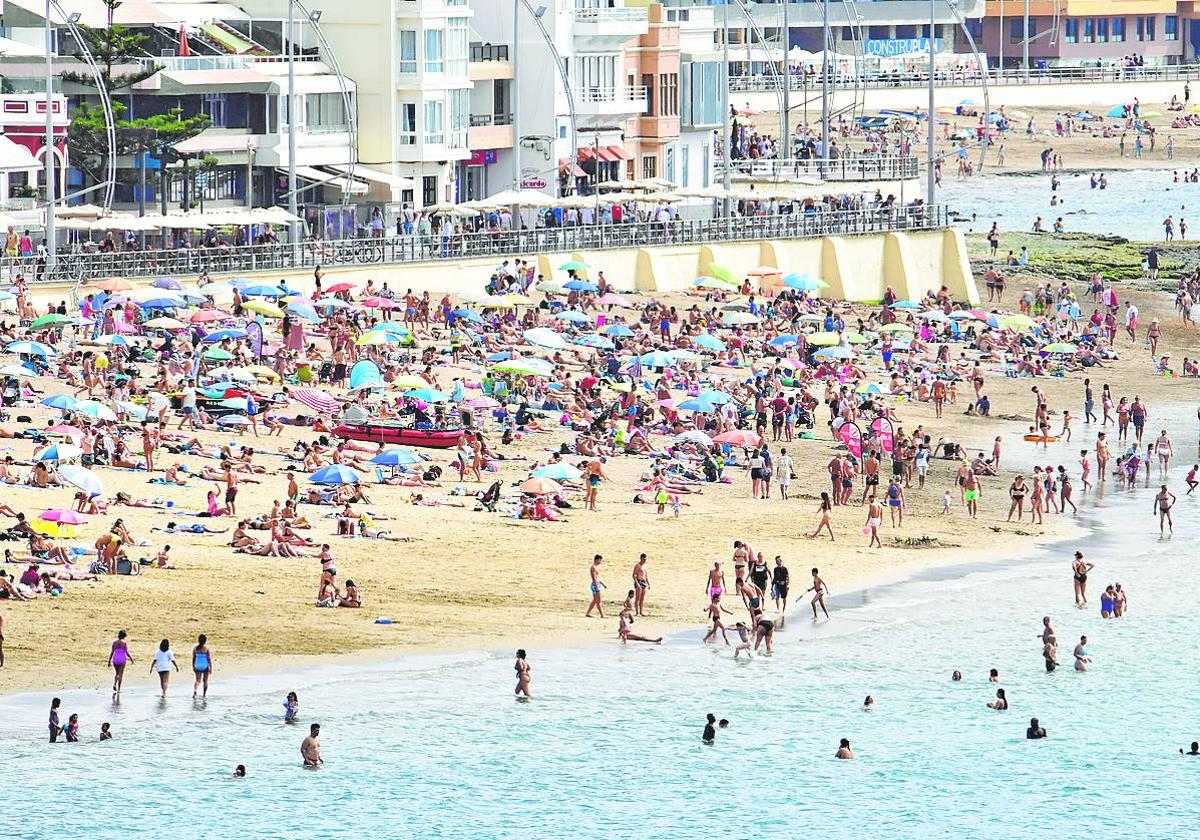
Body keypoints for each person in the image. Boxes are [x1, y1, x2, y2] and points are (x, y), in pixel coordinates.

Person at [107, 629, 132, 697]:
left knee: (117, 673)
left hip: (115, 658)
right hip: (122, 659)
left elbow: (112, 652)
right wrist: (131, 658)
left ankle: (114, 683)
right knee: (120, 674)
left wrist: (109, 661)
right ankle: (119, 689)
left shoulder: (114, 643)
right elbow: (126, 652)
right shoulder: (124, 643)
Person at [192, 634, 213, 699]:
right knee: (205, 681)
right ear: (205, 641)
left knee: (198, 680)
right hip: (205, 665)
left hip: (197, 665)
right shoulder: (206, 649)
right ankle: (204, 695)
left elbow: (193, 658)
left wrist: (193, 666)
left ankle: (195, 690)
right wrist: (211, 667)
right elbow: (209, 658)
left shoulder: (195, 648)